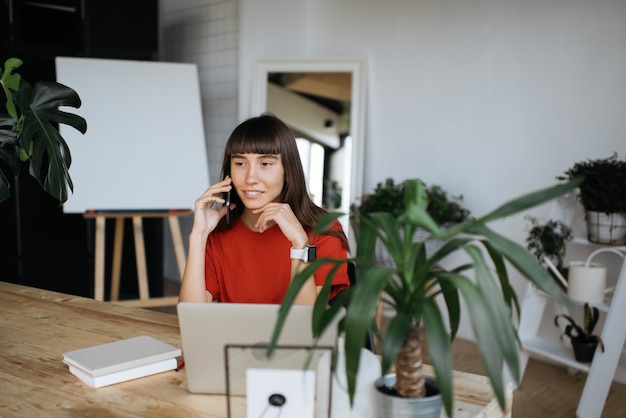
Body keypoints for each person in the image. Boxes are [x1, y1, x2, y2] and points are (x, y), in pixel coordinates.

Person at [179, 113, 350, 305]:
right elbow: (192, 318)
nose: (251, 178)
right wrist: (198, 236)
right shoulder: (218, 234)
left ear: (288, 170)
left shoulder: (325, 231)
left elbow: (307, 325)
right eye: (240, 163)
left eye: (266, 164)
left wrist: (300, 244)